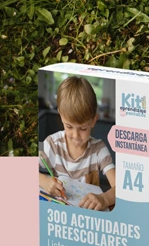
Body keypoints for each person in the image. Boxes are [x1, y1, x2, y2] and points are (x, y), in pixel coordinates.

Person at [39, 76, 117, 212]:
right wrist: (44, 182)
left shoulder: (99, 149)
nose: (75, 136)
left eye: (83, 128)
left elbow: (122, 189)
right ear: (61, 116)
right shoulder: (51, 144)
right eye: (69, 126)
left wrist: (104, 199)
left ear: (94, 120)